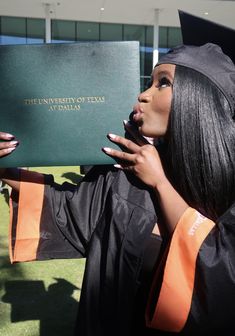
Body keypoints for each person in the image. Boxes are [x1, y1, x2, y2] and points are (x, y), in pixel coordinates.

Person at [2, 24, 235, 336]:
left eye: (162, 83)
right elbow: (68, 212)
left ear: (198, 100)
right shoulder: (125, 173)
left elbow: (220, 277)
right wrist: (7, 167)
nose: (143, 94)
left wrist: (160, 184)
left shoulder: (228, 186)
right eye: (150, 82)